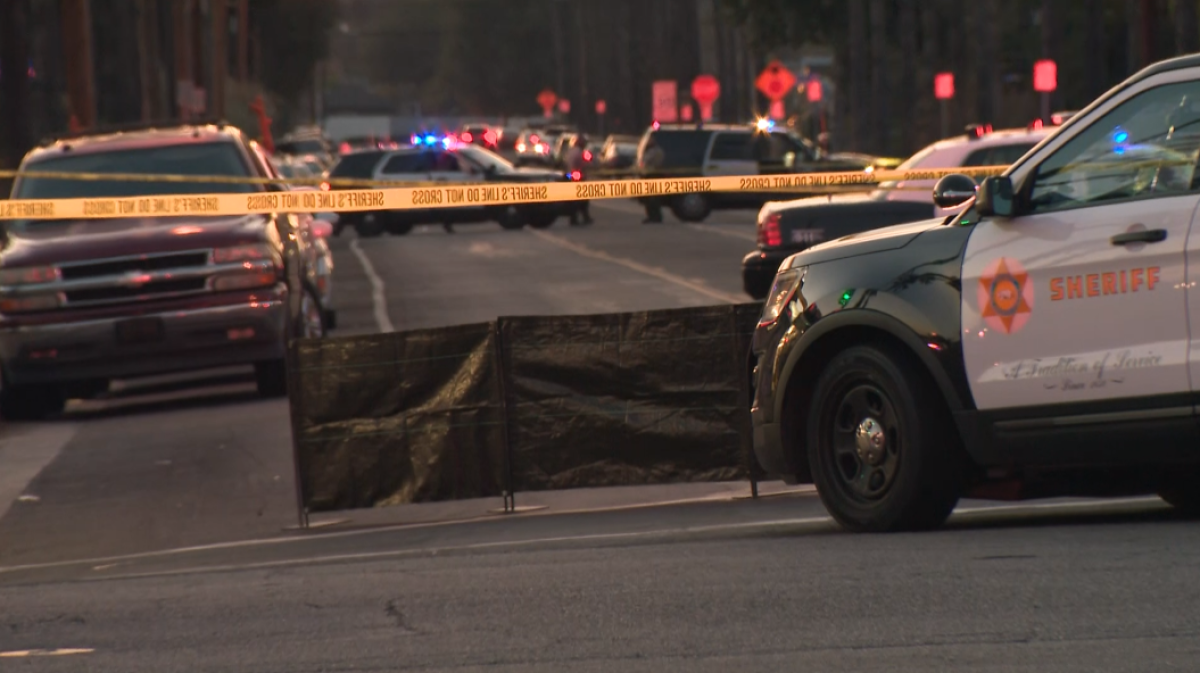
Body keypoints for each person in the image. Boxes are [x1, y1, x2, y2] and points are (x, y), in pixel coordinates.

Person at [565, 134, 594, 226]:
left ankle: (583, 216)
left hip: (569, 175)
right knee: (580, 199)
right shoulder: (580, 153)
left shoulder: (571, 151)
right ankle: (576, 217)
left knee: (578, 199)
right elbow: (585, 165)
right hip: (577, 176)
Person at [640, 137, 665, 224]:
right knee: (652, 198)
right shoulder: (655, 151)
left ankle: (654, 217)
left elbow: (646, 162)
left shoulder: (654, 152)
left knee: (652, 199)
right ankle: (654, 216)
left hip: (653, 176)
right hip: (651, 175)